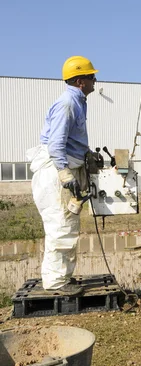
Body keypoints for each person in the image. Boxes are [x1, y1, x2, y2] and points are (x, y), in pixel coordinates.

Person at [26, 56, 98, 295]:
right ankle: (56, 283)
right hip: (56, 172)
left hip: (63, 168)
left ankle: (63, 277)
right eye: (91, 76)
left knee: (68, 225)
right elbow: (56, 145)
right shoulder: (68, 103)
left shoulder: (77, 101)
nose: (94, 80)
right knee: (60, 227)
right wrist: (66, 175)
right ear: (80, 81)